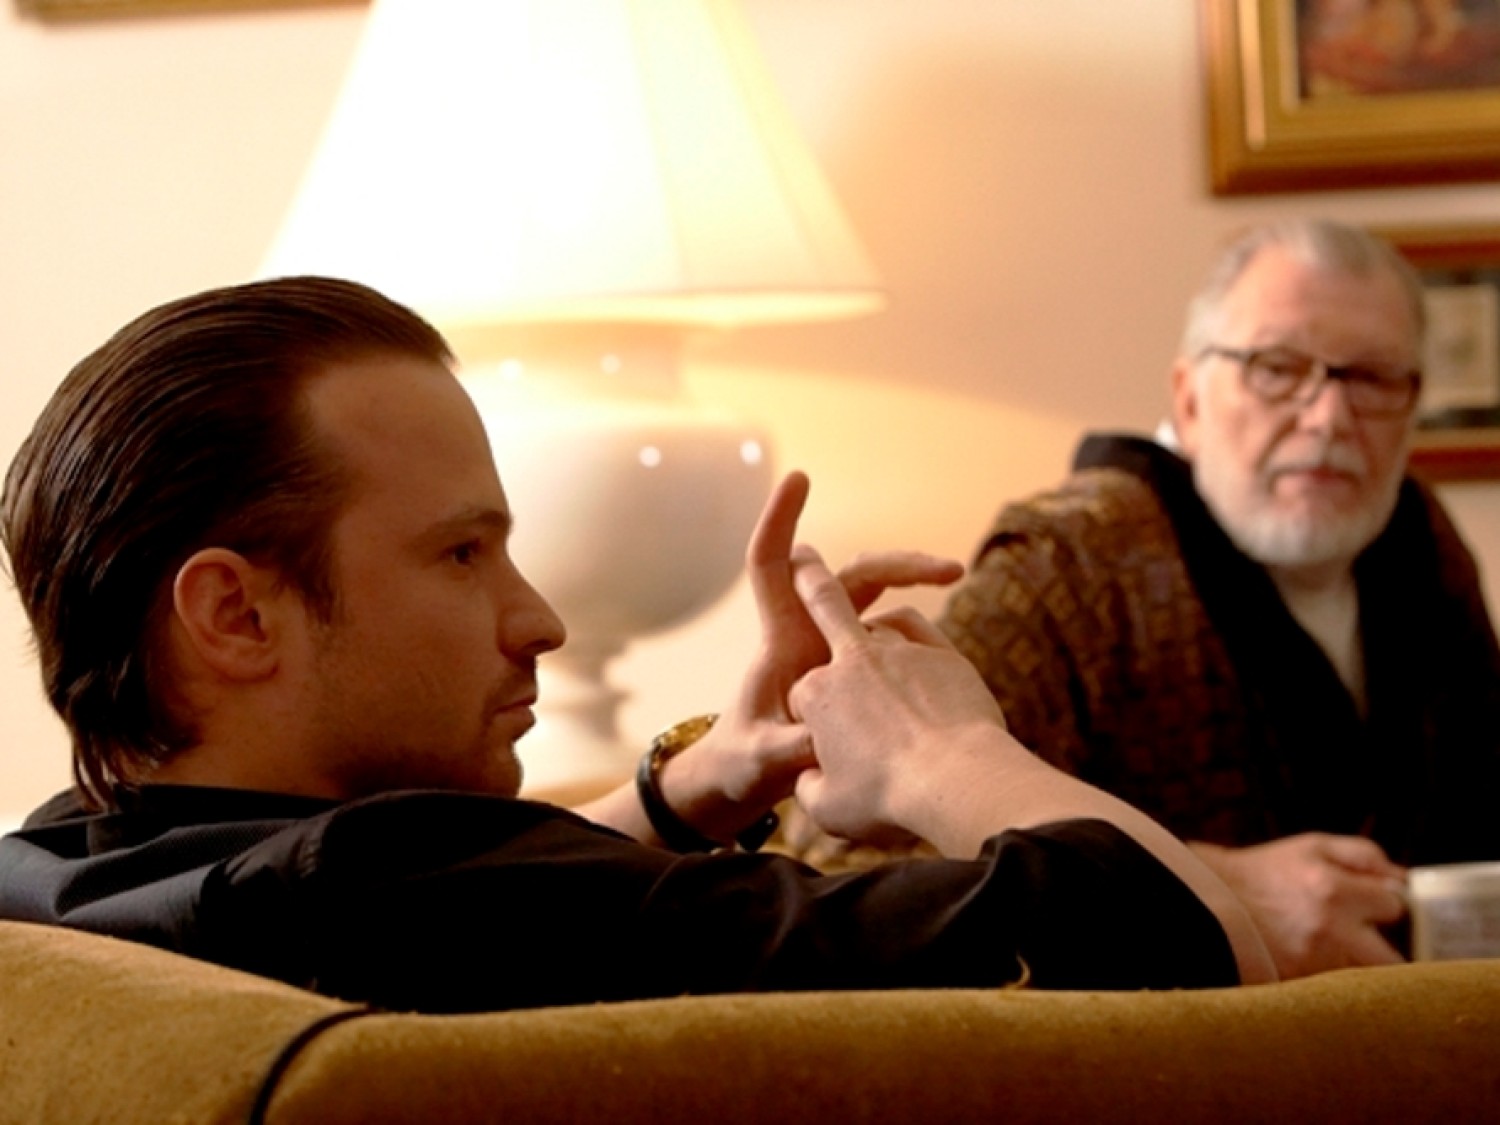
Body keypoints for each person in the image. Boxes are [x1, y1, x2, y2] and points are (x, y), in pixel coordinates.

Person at [0, 276, 1272, 1012]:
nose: (539, 621)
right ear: (236, 614)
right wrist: (940, 750)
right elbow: (1187, 934)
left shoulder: (59, 872)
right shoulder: (412, 899)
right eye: (461, 553)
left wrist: (685, 790)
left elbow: (474, 888)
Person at [937, 218, 1500, 979]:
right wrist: (1211, 887)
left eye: (1371, 379)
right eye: (1277, 368)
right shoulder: (1067, 563)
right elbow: (864, 862)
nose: (1329, 417)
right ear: (1190, 399)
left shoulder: (1421, 543)